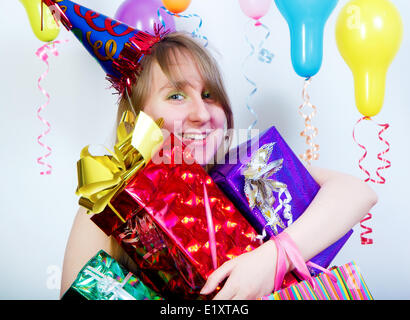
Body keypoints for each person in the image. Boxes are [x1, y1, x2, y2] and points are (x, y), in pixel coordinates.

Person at [60, 31, 378, 300]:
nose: (202, 113)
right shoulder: (108, 210)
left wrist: (270, 260)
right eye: (175, 95)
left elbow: (357, 193)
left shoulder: (243, 172)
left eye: (209, 94)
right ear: (137, 114)